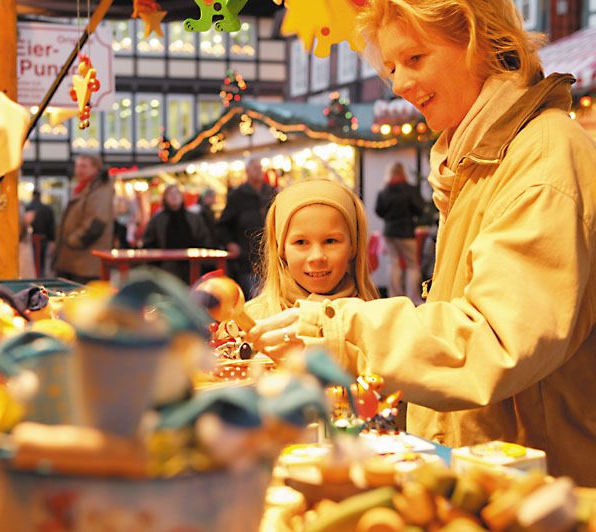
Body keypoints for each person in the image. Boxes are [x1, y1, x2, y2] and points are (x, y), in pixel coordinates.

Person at [247, 0, 596, 486]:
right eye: (391, 66)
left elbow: (494, 340)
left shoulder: (540, 156)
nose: (400, 84)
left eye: (415, 58)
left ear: (480, 41)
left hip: (540, 485)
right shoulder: (481, 159)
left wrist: (337, 326)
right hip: (494, 472)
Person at [246, 180, 378, 354]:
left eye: (331, 241)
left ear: (353, 246)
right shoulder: (253, 321)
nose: (317, 257)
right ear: (282, 248)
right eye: (301, 242)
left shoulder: (375, 323)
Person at [216, 158, 276, 298]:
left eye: (260, 167)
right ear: (247, 172)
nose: (258, 170)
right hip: (247, 260)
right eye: (254, 167)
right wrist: (230, 243)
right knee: (255, 299)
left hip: (272, 256)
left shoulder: (271, 192)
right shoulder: (237, 196)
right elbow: (222, 227)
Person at [53, 155, 114, 284]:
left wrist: (72, 241)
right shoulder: (85, 187)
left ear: (95, 168)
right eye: (77, 166)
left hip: (85, 263)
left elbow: (96, 223)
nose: (79, 170)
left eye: (84, 166)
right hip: (76, 261)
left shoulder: (99, 189)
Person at [375, 162, 424, 303]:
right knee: (412, 265)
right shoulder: (410, 190)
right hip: (406, 231)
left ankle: (394, 297)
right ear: (403, 172)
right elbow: (419, 209)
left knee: (393, 263)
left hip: (389, 232)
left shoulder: (384, 191)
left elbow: (379, 211)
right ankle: (413, 297)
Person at [142, 184, 212, 283]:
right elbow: (149, 242)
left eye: (177, 193)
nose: (174, 196)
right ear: (165, 198)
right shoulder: (157, 220)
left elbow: (204, 239)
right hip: (166, 268)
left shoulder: (194, 218)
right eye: (170, 193)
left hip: (192, 266)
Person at [26, 190, 56, 276]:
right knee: (41, 260)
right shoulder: (47, 209)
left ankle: (34, 275)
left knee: (32, 260)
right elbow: (51, 226)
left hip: (30, 239)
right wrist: (52, 240)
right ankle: (40, 276)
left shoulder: (28, 207)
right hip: (43, 238)